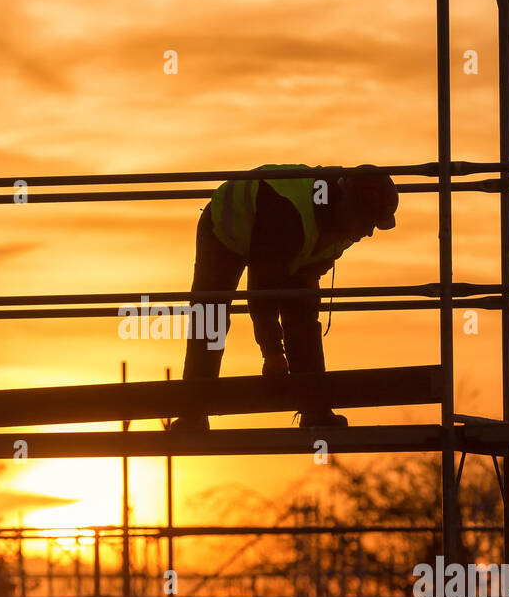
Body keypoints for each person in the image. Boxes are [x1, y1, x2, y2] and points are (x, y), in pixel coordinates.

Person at [171, 163, 399, 431]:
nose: (369, 232)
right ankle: (193, 412)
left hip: (284, 237)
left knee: (302, 315)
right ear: (350, 206)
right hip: (227, 225)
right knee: (211, 315)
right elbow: (262, 290)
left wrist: (303, 303)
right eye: (368, 221)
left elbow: (302, 300)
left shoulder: (344, 226)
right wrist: (273, 353)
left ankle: (315, 411)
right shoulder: (288, 214)